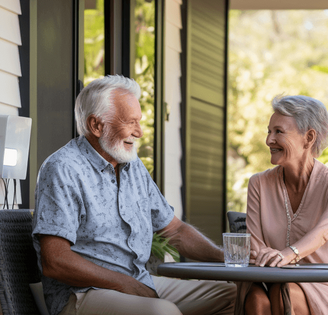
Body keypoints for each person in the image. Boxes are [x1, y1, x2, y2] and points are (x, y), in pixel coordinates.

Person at [32, 75, 236, 315]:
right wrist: (125, 284)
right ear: (96, 125)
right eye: (130, 122)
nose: (139, 132)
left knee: (234, 296)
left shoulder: (132, 165)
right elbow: (55, 261)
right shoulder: (63, 168)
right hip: (82, 294)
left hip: (138, 281)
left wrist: (226, 257)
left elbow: (174, 231)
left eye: (139, 121)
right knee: (162, 312)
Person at [235, 95, 328, 315]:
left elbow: (321, 234)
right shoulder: (259, 183)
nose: (269, 140)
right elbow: (255, 248)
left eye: (279, 132)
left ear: (309, 137)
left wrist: (286, 255)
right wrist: (274, 261)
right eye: (269, 131)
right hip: (272, 281)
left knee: (284, 294)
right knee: (256, 299)